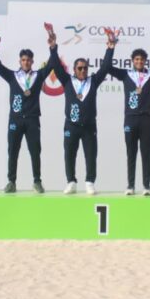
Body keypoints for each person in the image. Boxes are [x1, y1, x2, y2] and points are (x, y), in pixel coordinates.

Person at [0, 21, 58, 194]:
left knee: (35, 151)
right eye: (23, 60)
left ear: (32, 61)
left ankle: (37, 181)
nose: (26, 62)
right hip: (16, 119)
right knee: (13, 151)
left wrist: (53, 46)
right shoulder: (12, 76)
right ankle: (11, 182)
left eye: (28, 60)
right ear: (20, 61)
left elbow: (52, 64)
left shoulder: (38, 75)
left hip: (33, 120)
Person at [50, 27, 115, 195]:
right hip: (71, 125)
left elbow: (105, 67)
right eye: (79, 68)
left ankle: (89, 182)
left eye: (85, 68)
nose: (83, 71)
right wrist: (53, 47)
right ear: (74, 70)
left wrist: (110, 48)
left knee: (91, 155)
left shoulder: (93, 81)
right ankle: (71, 181)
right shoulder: (67, 81)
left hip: (89, 126)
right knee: (69, 154)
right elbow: (56, 66)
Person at [108, 42, 150, 196]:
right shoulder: (125, 74)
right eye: (137, 59)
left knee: (146, 153)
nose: (139, 61)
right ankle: (130, 185)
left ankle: (146, 185)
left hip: (146, 119)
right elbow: (107, 67)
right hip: (130, 119)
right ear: (132, 61)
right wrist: (111, 49)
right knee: (131, 153)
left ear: (145, 61)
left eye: (142, 59)